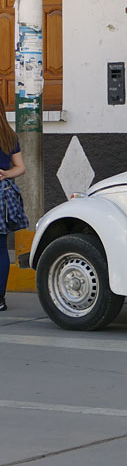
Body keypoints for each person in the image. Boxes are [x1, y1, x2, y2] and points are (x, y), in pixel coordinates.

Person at [0, 97, 26, 312]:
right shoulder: (9, 135)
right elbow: (21, 168)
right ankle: (0, 299)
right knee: (1, 250)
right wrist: (6, 174)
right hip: (3, 196)